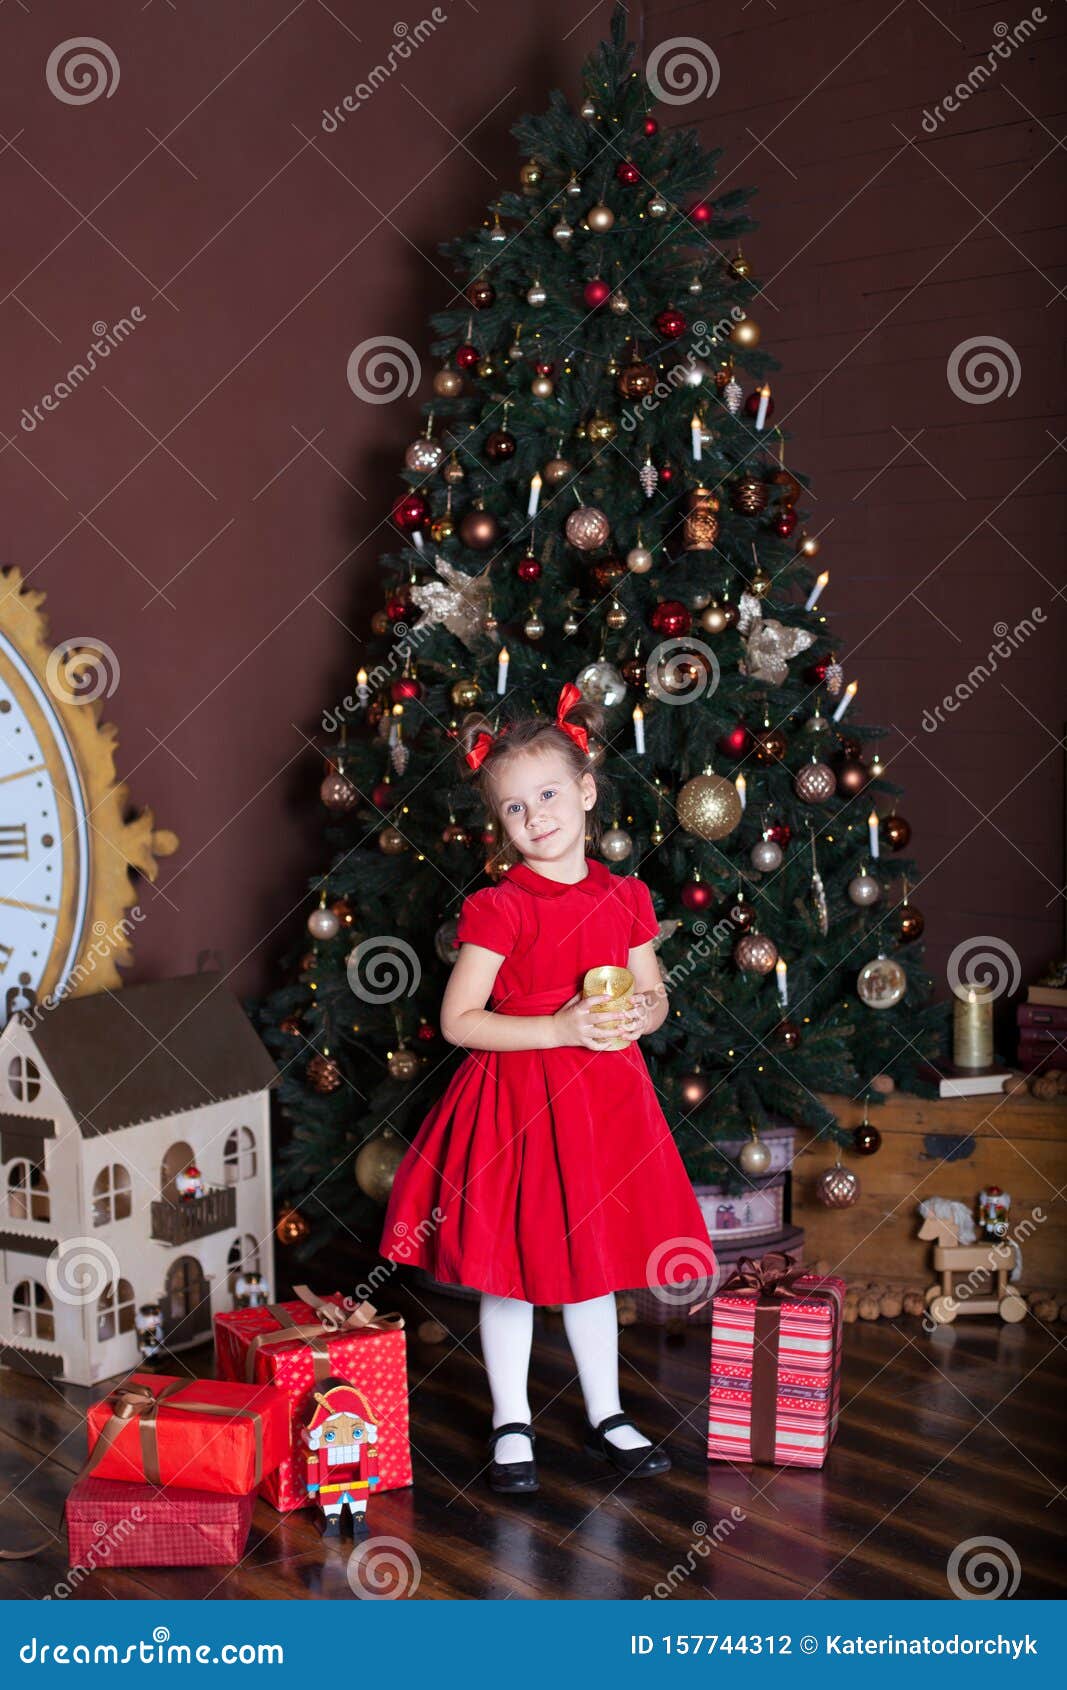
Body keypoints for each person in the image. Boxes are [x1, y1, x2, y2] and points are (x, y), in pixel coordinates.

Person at [379, 683, 716, 1494]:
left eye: (550, 794)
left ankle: (605, 1411)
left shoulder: (625, 896)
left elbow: (655, 991)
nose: (537, 817)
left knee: (591, 1266)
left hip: (603, 1101)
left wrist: (637, 1013)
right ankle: (511, 1421)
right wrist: (558, 1030)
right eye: (515, 809)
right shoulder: (500, 908)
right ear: (500, 826)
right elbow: (460, 1020)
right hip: (519, 1102)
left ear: (587, 791)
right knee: (510, 1267)